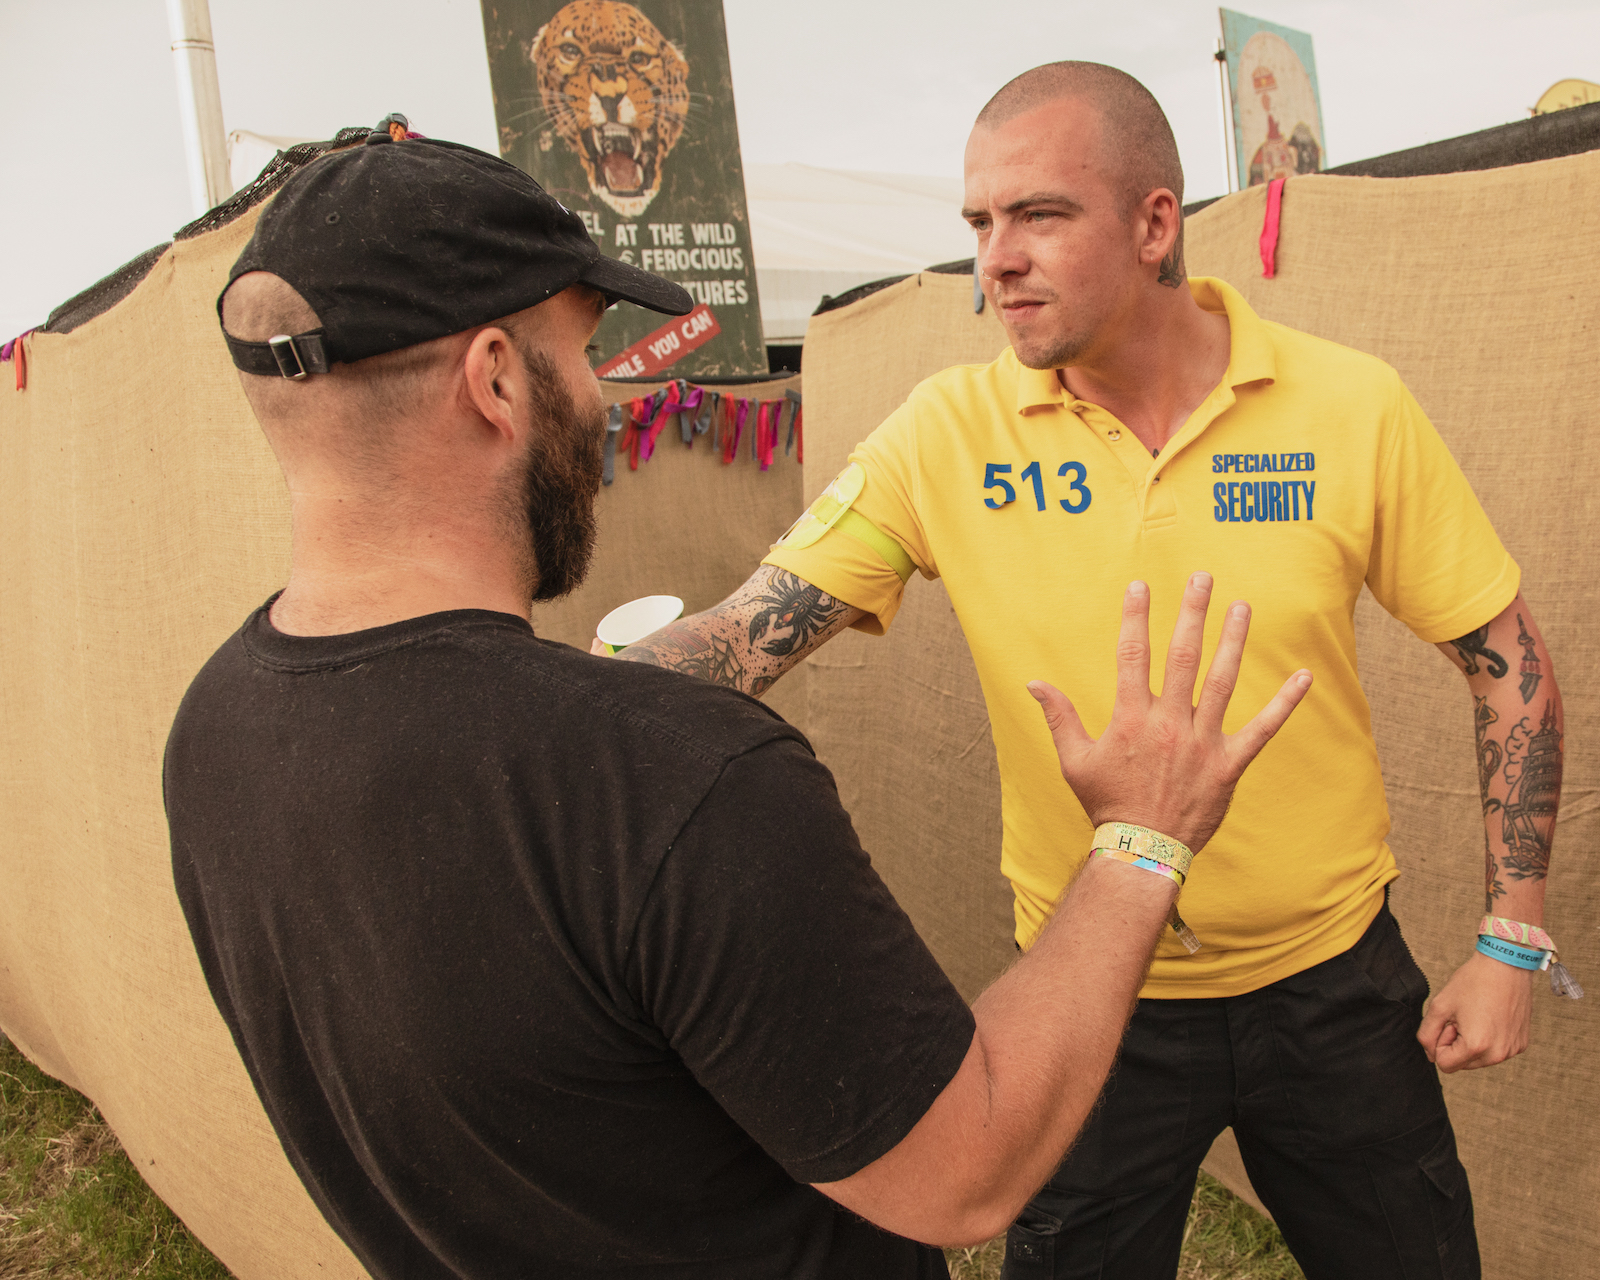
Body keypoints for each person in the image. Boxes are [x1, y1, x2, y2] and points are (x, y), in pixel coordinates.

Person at [163, 133, 1311, 1280]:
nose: (603, 396)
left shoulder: (212, 731)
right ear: (497, 380)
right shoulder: (674, 781)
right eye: (583, 351)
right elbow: (967, 1171)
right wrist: (1141, 834)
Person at [606, 62, 1569, 1279]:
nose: (995, 259)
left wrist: (1511, 935)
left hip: (1333, 982)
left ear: (1155, 223)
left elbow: (1505, 658)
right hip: (1092, 993)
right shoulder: (944, 432)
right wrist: (550, 692)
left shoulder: (1350, 406)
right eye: (979, 222)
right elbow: (747, 631)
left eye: (1039, 215)